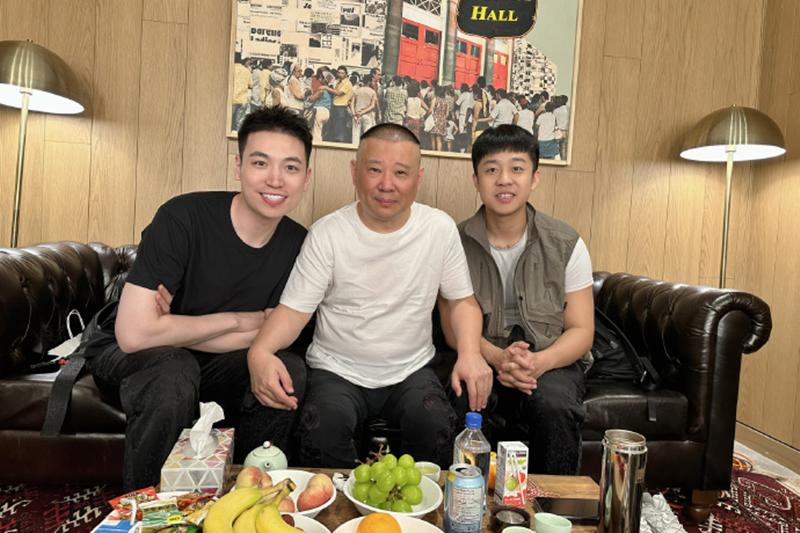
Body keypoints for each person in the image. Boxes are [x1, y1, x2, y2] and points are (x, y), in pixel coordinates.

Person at [83, 106, 313, 491]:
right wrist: (239, 320)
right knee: (174, 369)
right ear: (238, 166)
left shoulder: (300, 244)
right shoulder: (183, 218)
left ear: (306, 177)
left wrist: (170, 326)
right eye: (260, 163)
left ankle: (250, 497)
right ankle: (148, 506)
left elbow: (273, 336)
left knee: (286, 369)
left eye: (290, 167)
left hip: (211, 361)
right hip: (134, 358)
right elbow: (134, 335)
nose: (275, 179)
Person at [247, 123, 493, 468]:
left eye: (401, 172)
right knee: (321, 427)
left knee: (433, 423)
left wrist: (470, 354)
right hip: (337, 370)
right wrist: (259, 351)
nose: (386, 184)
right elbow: (293, 311)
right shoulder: (328, 233)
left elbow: (462, 302)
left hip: (411, 370)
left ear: (418, 177)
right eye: (374, 170)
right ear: (354, 172)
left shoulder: (438, 229)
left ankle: (420, 504)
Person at [440, 124, 594, 475]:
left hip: (549, 360)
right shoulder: (453, 242)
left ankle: (553, 504)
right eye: (492, 170)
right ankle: (465, 500)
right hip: (479, 355)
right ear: (476, 180)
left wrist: (538, 363)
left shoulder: (566, 242)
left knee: (554, 405)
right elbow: (450, 327)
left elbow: (582, 330)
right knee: (461, 398)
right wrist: (496, 358)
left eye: (517, 169)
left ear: (535, 178)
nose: (504, 180)